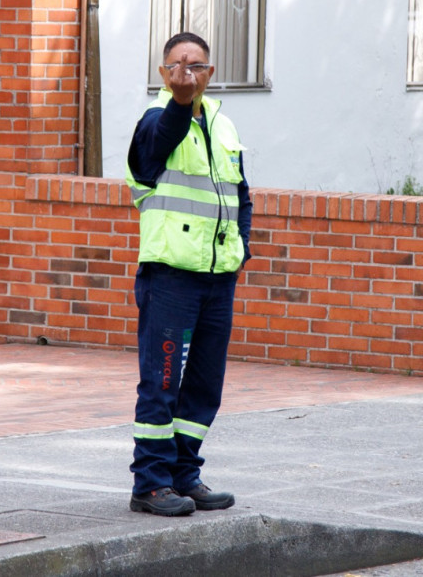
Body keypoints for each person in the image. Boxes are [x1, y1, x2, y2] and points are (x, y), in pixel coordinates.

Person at [125, 32, 252, 517]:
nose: (187, 72)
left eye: (196, 65)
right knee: (160, 383)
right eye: (177, 65)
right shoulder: (156, 121)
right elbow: (159, 147)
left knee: (203, 385)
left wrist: (241, 247)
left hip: (218, 277)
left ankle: (183, 474)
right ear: (163, 73)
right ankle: (149, 484)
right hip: (172, 276)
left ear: (210, 73)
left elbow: (241, 193)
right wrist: (180, 102)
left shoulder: (222, 125)